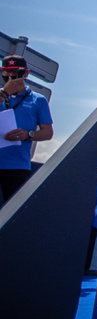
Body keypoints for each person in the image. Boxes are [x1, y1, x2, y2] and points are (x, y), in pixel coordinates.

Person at [0, 55, 53, 207]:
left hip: (17, 166)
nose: (11, 75)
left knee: (11, 215)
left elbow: (47, 133)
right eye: (6, 71)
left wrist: (28, 134)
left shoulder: (38, 100)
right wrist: (5, 93)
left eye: (16, 71)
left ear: (26, 73)